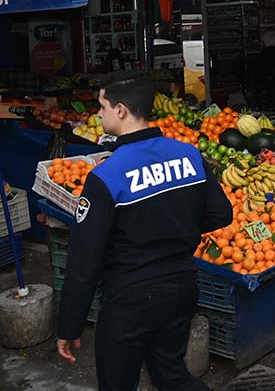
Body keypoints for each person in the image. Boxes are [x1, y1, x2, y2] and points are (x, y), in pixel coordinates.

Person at [57, 71, 232, 390]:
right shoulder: (190, 155)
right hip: (181, 287)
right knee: (172, 375)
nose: (99, 114)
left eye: (102, 107)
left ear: (120, 110)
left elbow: (84, 262)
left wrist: (69, 325)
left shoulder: (106, 176)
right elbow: (221, 213)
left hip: (130, 298)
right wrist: (178, 227)